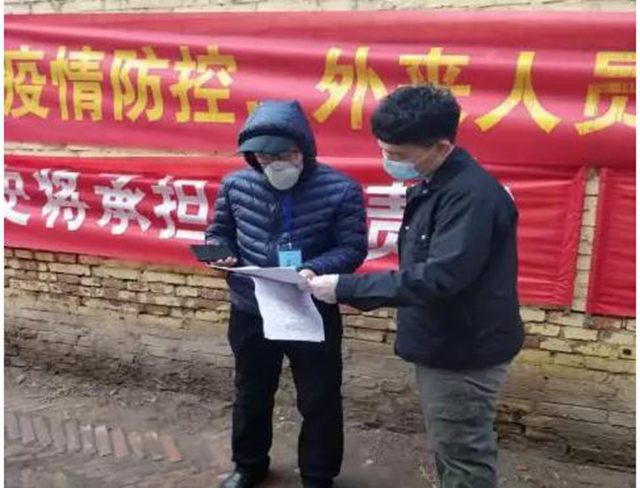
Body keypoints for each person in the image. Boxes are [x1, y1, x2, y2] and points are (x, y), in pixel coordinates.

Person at [308, 84, 525, 488]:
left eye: (398, 154)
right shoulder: (435, 181)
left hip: (463, 351)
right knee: (451, 445)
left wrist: (344, 288)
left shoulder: (470, 197)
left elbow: (440, 276)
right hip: (444, 339)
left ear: (441, 146)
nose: (388, 161)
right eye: (383, 150)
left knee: (464, 453)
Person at [205, 100, 368, 488]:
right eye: (264, 157)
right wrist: (220, 252)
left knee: (319, 396)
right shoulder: (236, 185)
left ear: (303, 149)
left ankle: (318, 474)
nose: (274, 163)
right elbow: (219, 232)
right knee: (251, 391)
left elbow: (352, 248)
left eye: (283, 155)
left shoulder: (340, 189)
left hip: (311, 307)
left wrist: (314, 268)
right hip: (252, 308)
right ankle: (248, 465)